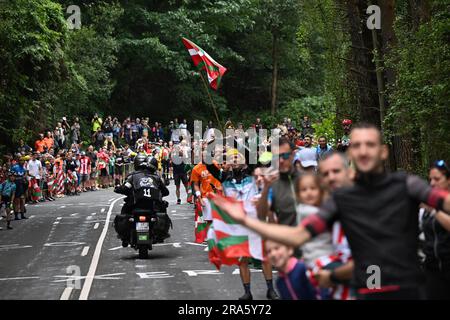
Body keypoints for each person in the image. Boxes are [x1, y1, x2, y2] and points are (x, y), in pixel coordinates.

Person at [212, 123, 450, 300]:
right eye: (357, 145)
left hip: (411, 289)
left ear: (383, 151)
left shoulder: (405, 184)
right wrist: (245, 220)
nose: (364, 151)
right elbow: (299, 235)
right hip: (370, 286)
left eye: (370, 145)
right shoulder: (342, 199)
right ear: (352, 153)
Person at [114, 154, 171, 246]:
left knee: (125, 210)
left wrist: (118, 189)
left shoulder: (133, 176)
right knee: (162, 206)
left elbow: (125, 188)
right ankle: (159, 234)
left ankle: (125, 236)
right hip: (151, 206)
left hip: (137, 205)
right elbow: (165, 191)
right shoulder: (155, 177)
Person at [419, 160, 450, 299]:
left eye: (437, 179)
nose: (432, 183)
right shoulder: (427, 204)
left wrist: (435, 211)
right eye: (430, 179)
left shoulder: (434, 207)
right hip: (431, 271)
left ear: (448, 180)